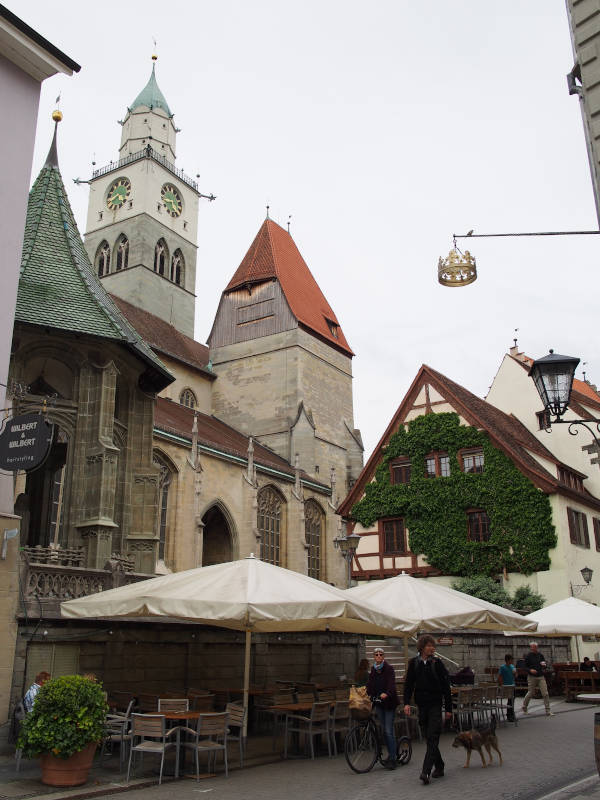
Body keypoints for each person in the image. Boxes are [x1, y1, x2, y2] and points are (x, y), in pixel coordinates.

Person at [403, 634, 452, 785]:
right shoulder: (414, 663)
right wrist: (406, 703)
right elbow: (409, 684)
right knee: (428, 738)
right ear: (422, 647)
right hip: (421, 705)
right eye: (429, 645)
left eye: (433, 646)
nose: (432, 648)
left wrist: (449, 708)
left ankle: (425, 772)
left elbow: (446, 687)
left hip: (435, 705)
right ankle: (440, 766)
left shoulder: (437, 663)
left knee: (433, 736)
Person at [366, 646, 398, 769]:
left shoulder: (389, 669)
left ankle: (393, 758)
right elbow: (370, 684)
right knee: (384, 729)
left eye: (380, 654)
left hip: (389, 703)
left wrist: (387, 693)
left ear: (383, 656)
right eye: (376, 654)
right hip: (379, 703)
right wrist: (366, 692)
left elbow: (391, 684)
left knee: (388, 731)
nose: (378, 656)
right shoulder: (373, 670)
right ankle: (390, 754)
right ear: (373, 657)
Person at [522, 642, 553, 716]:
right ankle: (524, 707)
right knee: (530, 693)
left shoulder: (540, 655)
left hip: (540, 676)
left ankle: (548, 711)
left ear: (537, 647)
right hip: (531, 677)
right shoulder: (528, 656)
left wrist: (544, 665)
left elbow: (544, 664)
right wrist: (530, 670)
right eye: (532, 647)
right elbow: (524, 667)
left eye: (535, 647)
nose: (533, 648)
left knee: (545, 693)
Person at [498, 653, 516, 722]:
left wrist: (515, 673)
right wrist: (501, 685)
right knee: (510, 701)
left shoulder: (512, 667)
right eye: (511, 660)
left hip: (512, 685)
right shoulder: (503, 667)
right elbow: (499, 677)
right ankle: (509, 715)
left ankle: (511, 714)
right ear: (508, 660)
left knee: (512, 700)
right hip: (506, 686)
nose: (512, 661)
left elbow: (515, 676)